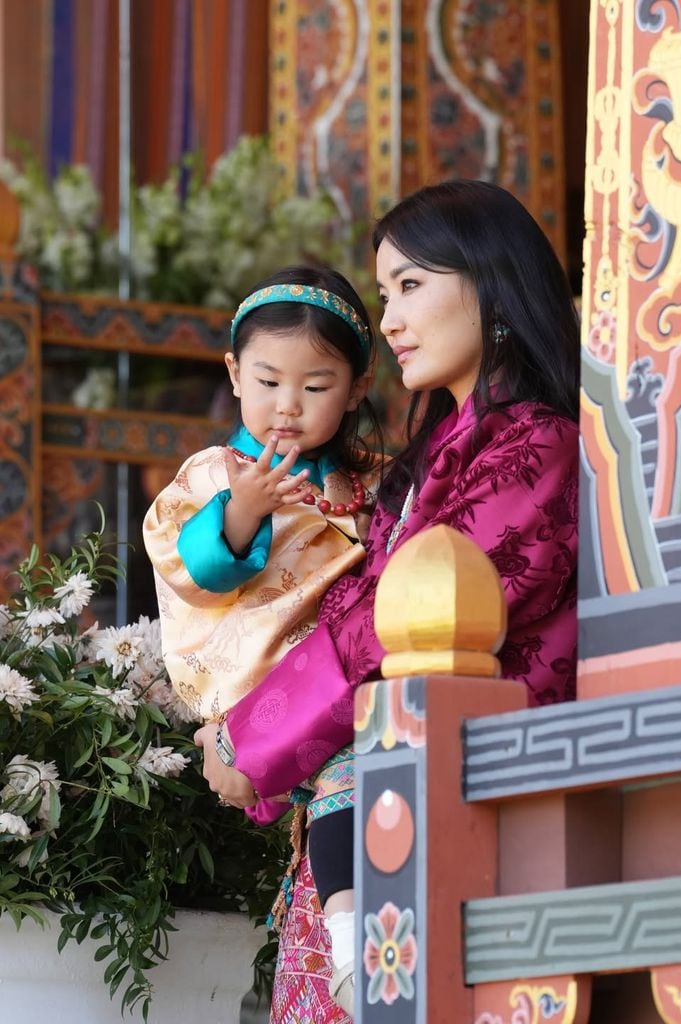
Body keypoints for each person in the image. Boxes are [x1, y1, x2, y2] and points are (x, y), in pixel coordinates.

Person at [194, 179, 580, 1024]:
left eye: (411, 285)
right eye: (384, 293)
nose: (392, 316)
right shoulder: (437, 455)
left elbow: (388, 630)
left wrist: (253, 738)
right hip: (380, 795)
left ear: (492, 282)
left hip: (468, 814)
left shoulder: (534, 448)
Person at [143, 266, 387, 997]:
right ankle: (352, 943)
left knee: (348, 780)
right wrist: (241, 513)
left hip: (354, 679)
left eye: (315, 388)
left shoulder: (369, 481)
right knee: (341, 778)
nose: (288, 406)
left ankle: (346, 943)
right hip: (278, 688)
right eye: (269, 381)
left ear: (356, 389)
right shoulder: (217, 472)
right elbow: (192, 566)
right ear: (234, 374)